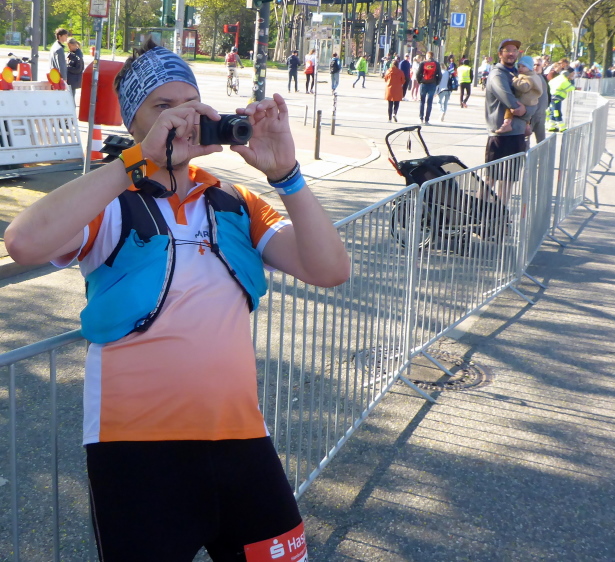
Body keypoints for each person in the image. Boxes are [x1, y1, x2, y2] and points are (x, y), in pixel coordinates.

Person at [4, 40, 350, 561]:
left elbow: (330, 270)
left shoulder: (233, 200)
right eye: (162, 107)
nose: (181, 118)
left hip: (242, 440)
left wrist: (287, 175)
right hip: (135, 450)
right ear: (134, 123)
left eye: (189, 103)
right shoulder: (110, 200)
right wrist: (136, 161)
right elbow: (23, 243)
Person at [483, 39, 527, 200]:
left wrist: (526, 120)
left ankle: (501, 211)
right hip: (500, 135)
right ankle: (477, 210)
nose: (511, 53)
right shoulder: (497, 75)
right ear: (500, 53)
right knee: (490, 179)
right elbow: (512, 103)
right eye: (507, 50)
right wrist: (525, 112)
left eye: (514, 50)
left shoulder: (516, 73)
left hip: (516, 133)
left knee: (508, 181)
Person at [497, 55, 542, 135]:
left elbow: (525, 87)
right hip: (532, 102)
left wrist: (515, 81)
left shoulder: (528, 77)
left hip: (524, 100)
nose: (520, 68)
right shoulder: (535, 76)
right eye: (519, 66)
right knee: (527, 117)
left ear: (530, 67)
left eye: (523, 66)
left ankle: (507, 124)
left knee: (509, 107)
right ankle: (527, 127)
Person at [416, 51, 442, 125]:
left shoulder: (423, 63)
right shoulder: (436, 64)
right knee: (429, 102)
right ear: (433, 56)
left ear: (427, 56)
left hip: (424, 83)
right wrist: (436, 83)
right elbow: (440, 75)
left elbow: (418, 73)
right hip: (432, 84)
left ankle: (421, 118)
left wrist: (419, 81)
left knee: (422, 102)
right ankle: (427, 119)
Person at [529, 56, 550, 145]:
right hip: (530, 115)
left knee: (541, 142)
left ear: (542, 66)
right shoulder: (528, 77)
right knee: (525, 142)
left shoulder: (544, 78)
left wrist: (546, 106)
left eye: (538, 65)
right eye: (533, 65)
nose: (535, 67)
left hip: (541, 114)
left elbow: (548, 94)